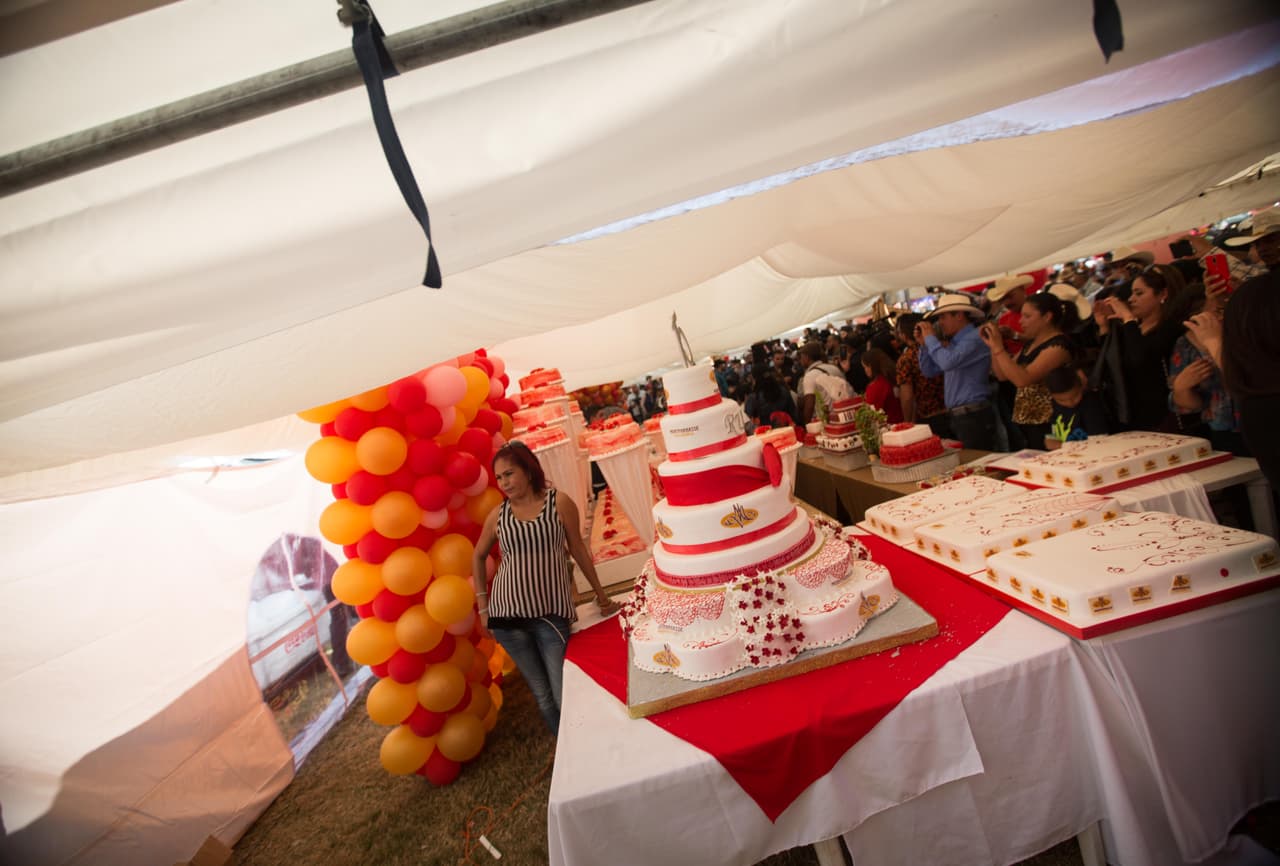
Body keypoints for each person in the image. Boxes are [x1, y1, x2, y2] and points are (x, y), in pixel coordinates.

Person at [473, 441, 618, 734]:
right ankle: (570, 758)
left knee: (564, 694)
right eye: (499, 478)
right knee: (542, 694)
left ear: (528, 470)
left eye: (509, 474)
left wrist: (600, 594)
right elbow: (477, 555)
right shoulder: (498, 515)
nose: (504, 483)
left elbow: (577, 549)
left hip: (550, 615)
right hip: (506, 617)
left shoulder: (558, 502)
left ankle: (584, 746)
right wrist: (483, 607)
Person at [1094, 264, 1188, 432]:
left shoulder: (1170, 327)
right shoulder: (1134, 328)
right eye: (1132, 293)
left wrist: (1129, 318)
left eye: (1139, 293)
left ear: (1163, 294)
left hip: (1164, 415)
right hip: (1134, 415)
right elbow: (1113, 365)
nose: (1131, 299)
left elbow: (1141, 359)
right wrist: (1104, 328)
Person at [980, 292, 1075, 449]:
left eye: (1027, 316)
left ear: (1047, 317)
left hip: (1053, 420)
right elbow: (1002, 375)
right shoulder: (1032, 343)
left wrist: (998, 347)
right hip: (1031, 421)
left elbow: (1022, 380)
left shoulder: (1058, 345)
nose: (1021, 321)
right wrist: (994, 345)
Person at [916, 293, 998, 450]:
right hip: (961, 415)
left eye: (943, 317)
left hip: (974, 415)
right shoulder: (955, 342)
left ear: (959, 315)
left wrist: (931, 339)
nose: (940, 323)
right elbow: (929, 371)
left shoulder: (975, 337)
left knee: (979, 462)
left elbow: (947, 362)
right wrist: (924, 345)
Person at [895, 313, 950, 438]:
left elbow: (907, 396)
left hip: (930, 417)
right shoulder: (943, 347)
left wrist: (908, 422)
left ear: (904, 335)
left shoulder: (905, 359)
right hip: (953, 409)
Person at [1045, 363, 1113, 443]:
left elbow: (1099, 438)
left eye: (1075, 396)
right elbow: (1054, 425)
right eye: (1062, 400)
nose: (1070, 403)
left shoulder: (1090, 403)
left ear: (1081, 386)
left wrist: (1064, 446)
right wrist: (1052, 438)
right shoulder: (1055, 405)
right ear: (1052, 396)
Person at [797, 340, 854, 424]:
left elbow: (809, 405)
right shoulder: (834, 368)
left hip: (827, 420)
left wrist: (807, 425)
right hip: (845, 414)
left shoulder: (810, 376)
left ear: (806, 357)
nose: (800, 360)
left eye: (801, 357)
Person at [859, 347, 903, 423]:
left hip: (890, 426)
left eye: (865, 367)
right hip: (902, 420)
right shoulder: (894, 376)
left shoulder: (875, 386)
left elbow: (872, 415)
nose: (865, 370)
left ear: (871, 366)